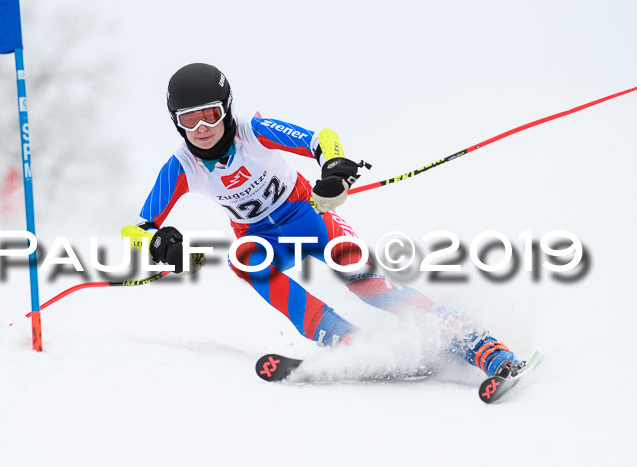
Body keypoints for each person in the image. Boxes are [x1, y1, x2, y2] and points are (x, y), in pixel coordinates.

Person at [135, 63, 523, 378]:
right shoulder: (181, 166)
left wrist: (333, 169)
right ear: (176, 122)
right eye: (190, 120)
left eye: (211, 115)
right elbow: (137, 228)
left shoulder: (253, 133)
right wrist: (158, 243)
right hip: (260, 237)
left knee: (362, 278)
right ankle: (345, 340)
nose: (202, 129)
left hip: (310, 218)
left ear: (227, 107)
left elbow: (321, 138)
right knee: (246, 261)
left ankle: (477, 343)